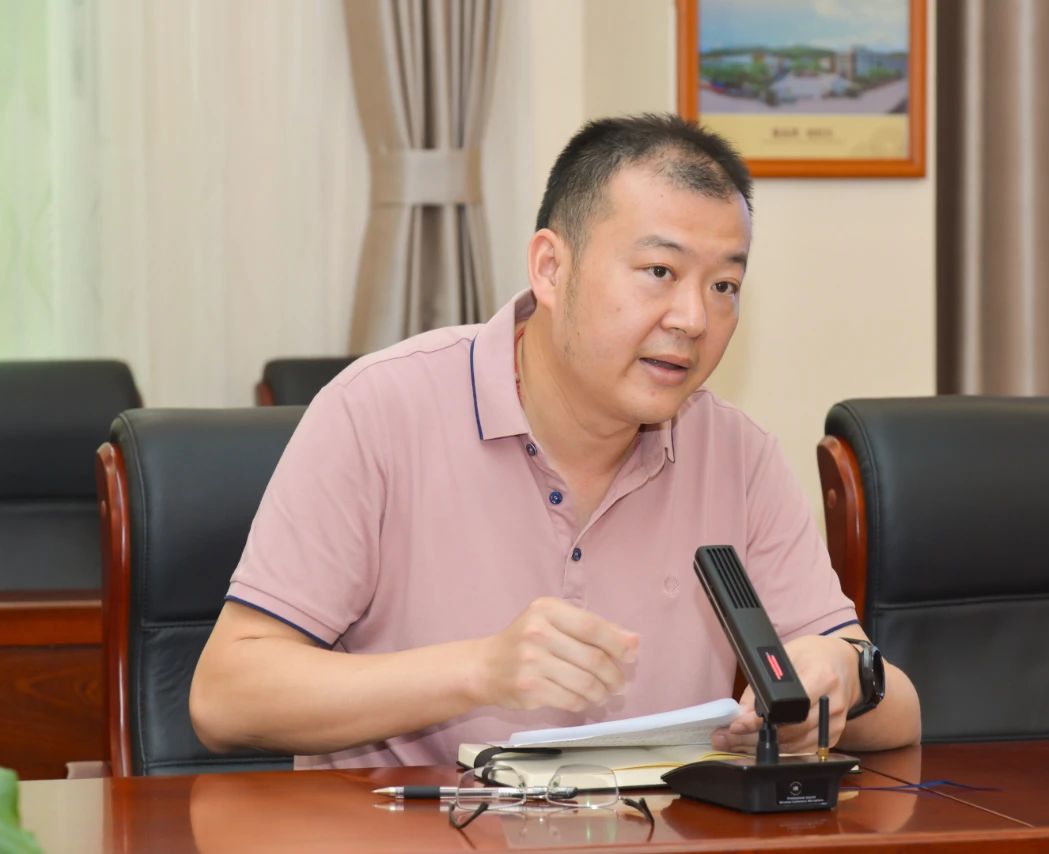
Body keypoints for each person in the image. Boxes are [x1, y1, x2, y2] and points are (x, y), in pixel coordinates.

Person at [190, 113, 920, 769]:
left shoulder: (738, 454)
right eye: (659, 272)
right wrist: (478, 672)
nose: (694, 319)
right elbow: (225, 697)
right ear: (550, 268)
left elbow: (902, 716)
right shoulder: (377, 410)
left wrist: (847, 677)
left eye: (724, 286)